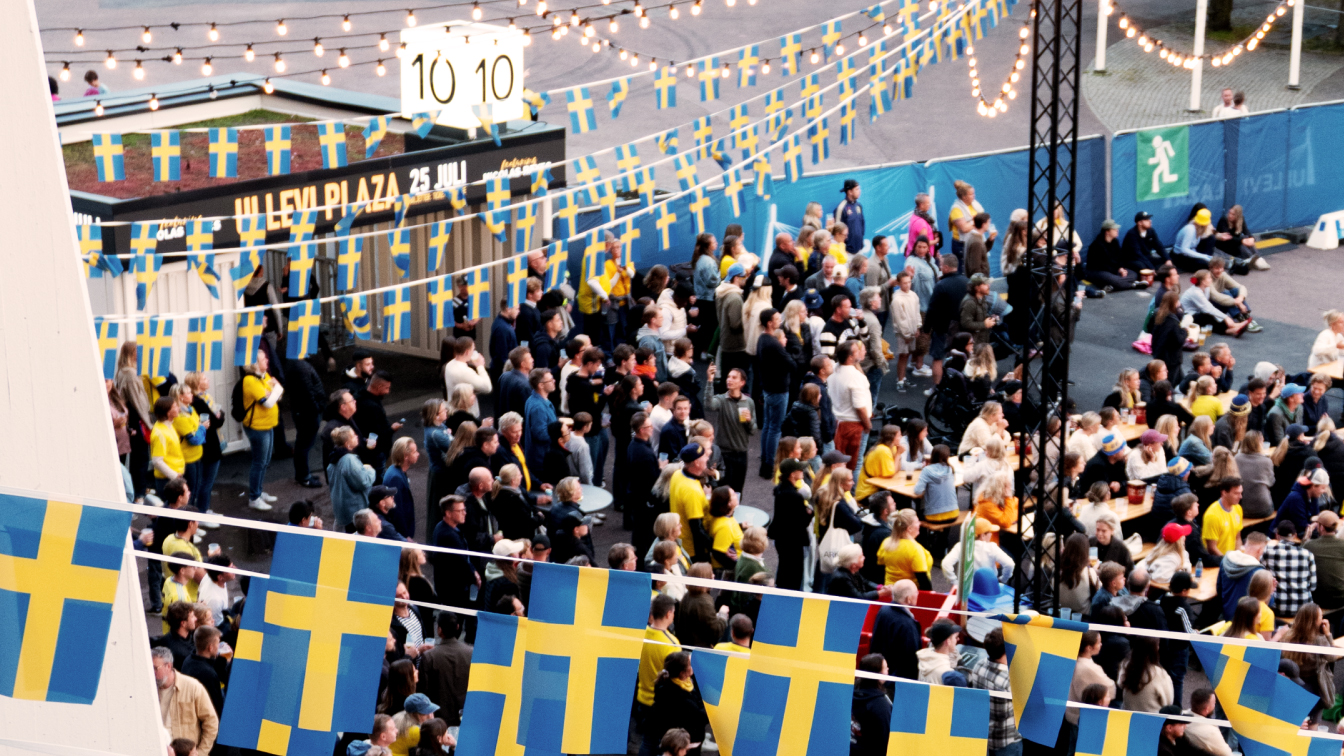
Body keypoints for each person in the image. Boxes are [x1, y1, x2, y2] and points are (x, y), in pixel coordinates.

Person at [152, 646, 218, 756]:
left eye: (155, 668)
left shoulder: (192, 687)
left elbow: (211, 722)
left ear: (168, 666)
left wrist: (201, 753)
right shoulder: (148, 690)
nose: (152, 672)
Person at [702, 365, 755, 492]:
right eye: (728, 377)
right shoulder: (721, 399)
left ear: (742, 382)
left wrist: (749, 421)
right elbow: (708, 405)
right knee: (723, 490)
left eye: (734, 377)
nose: (729, 379)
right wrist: (710, 380)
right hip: (724, 453)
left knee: (738, 491)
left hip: (741, 453)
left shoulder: (748, 402)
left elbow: (753, 430)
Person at [1281, 603, 1336, 722]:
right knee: (1313, 721)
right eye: (1321, 617)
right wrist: (1328, 634)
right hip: (1314, 685)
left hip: (1292, 683)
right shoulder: (1319, 639)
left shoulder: (1288, 636)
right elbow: (1332, 657)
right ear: (1315, 621)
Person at [768, 458, 813, 590]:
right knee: (793, 576)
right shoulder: (795, 496)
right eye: (800, 470)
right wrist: (809, 513)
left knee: (783, 570)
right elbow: (802, 521)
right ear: (792, 474)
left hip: (781, 537)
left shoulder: (780, 490)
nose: (802, 471)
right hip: (793, 541)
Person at [431, 496, 479, 611]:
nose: (465, 513)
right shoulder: (448, 535)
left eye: (464, 510)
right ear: (448, 513)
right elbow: (461, 562)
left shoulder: (442, 527)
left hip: (449, 587)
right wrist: (474, 575)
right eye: (460, 511)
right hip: (454, 590)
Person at [1263, 521, 1317, 618]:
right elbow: (1313, 586)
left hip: (1277, 607)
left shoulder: (1267, 552)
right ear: (1295, 535)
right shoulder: (1308, 554)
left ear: (1277, 535)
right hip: (1304, 608)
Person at [329, 426, 377, 531]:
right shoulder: (349, 460)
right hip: (354, 512)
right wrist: (370, 470)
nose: (356, 436)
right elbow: (364, 481)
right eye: (353, 436)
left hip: (342, 511)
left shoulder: (334, 459)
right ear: (347, 443)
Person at [1217, 530, 1267, 621]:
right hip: (1247, 620)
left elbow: (1219, 588)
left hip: (1226, 615)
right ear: (1260, 550)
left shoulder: (1226, 560)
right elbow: (1265, 603)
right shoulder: (1258, 571)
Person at [878, 509, 934, 588]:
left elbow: (880, 570)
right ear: (909, 528)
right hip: (910, 594)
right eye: (917, 522)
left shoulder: (886, 543)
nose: (920, 524)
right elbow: (923, 580)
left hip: (890, 591)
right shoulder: (915, 549)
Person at [1086, 220, 1144, 291]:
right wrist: (1117, 270)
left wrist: (1121, 268)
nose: (1117, 230)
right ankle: (1132, 285)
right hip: (1098, 271)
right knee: (1114, 280)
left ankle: (1112, 285)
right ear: (1107, 232)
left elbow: (1120, 258)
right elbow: (1102, 265)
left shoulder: (1115, 242)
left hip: (1113, 270)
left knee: (1133, 274)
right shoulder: (1096, 245)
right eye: (1114, 229)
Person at [1120, 635, 1173, 712]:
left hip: (1128, 714)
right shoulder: (1160, 674)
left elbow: (1120, 684)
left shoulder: (1126, 665)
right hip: (1151, 718)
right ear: (1154, 649)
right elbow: (1168, 701)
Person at [1304, 510, 1344, 610]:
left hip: (1318, 599)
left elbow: (1300, 556)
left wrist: (1306, 537)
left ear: (1321, 527)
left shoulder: (1309, 545)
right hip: (1341, 598)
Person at [912, 445, 959, 525]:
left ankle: (922, 537)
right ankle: (943, 536)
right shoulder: (950, 469)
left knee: (918, 512)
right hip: (953, 514)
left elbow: (918, 491)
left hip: (933, 516)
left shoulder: (927, 470)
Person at [917, 620, 967, 687]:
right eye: (955, 637)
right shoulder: (952, 677)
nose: (958, 639)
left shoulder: (923, 659)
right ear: (948, 641)